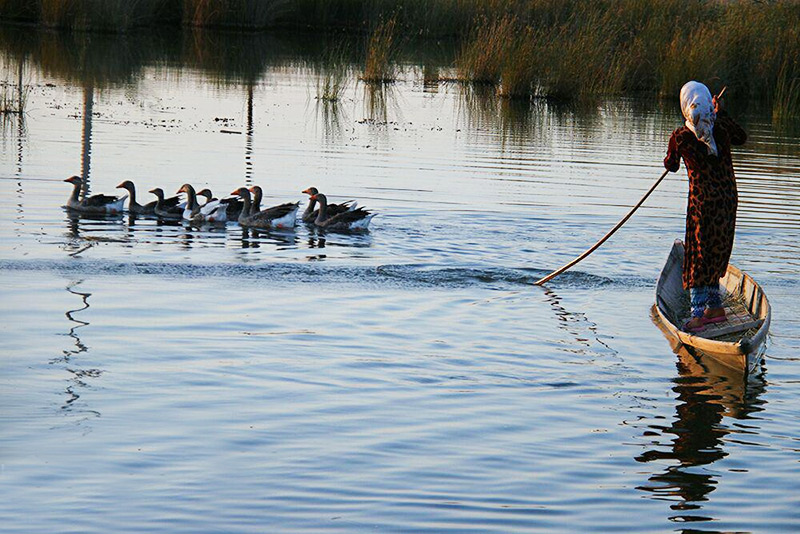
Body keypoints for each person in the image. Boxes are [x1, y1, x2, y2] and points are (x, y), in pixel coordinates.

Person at [664, 81, 747, 332]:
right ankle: (716, 307)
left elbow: (671, 165)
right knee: (716, 250)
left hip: (703, 205)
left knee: (699, 254)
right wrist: (720, 112)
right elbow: (741, 137)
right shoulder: (721, 127)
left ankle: (698, 315)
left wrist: (670, 156)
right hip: (727, 201)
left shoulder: (680, 137)